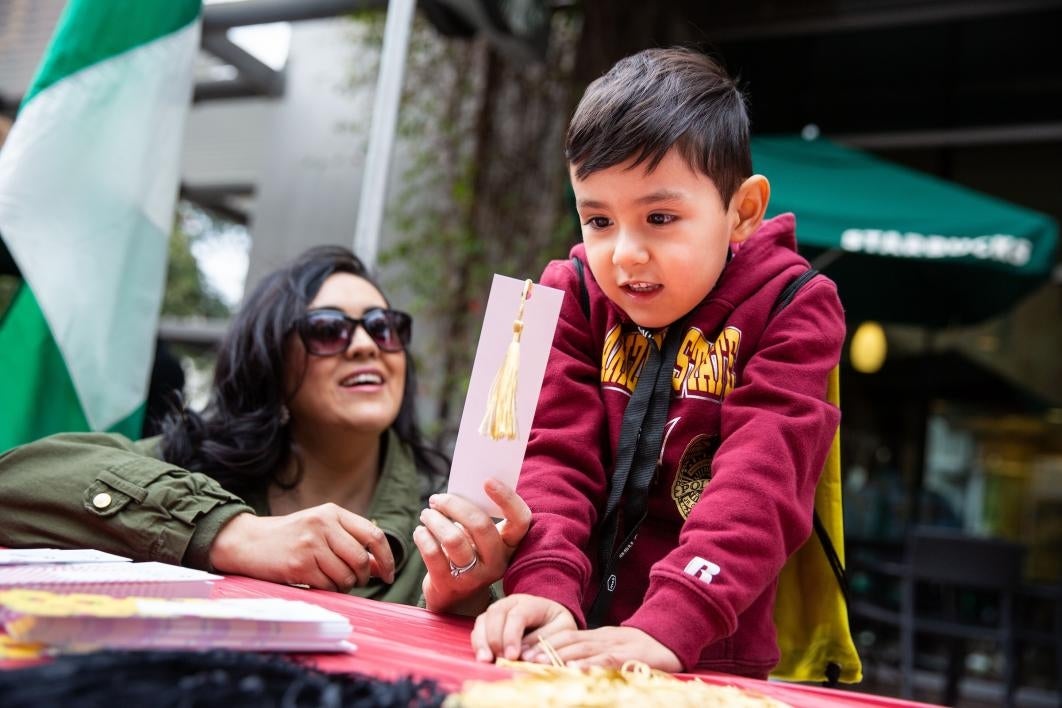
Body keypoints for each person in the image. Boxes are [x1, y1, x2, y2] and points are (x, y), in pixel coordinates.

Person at [470, 47, 845, 677]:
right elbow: (554, 455)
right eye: (598, 219)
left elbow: (762, 483)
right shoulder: (571, 294)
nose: (625, 254)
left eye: (660, 217)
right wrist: (543, 586)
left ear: (743, 211)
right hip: (561, 641)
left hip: (704, 656)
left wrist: (674, 623)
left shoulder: (793, 306)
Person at [0, 245, 526, 613]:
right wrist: (230, 534)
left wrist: (466, 601)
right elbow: (15, 484)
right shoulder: (193, 462)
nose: (366, 344)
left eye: (385, 328)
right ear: (269, 361)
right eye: (328, 330)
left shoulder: (455, 521)